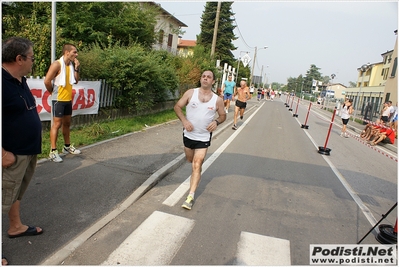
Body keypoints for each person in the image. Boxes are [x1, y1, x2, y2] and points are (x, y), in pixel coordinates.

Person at [2, 37, 44, 251]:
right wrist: (2, 154)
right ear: (19, 59)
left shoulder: (20, 80)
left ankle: (16, 226)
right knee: (2, 200)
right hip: (10, 155)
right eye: (31, 57)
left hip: (26, 151)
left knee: (16, 193)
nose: (33, 61)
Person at [174, 70, 226, 210]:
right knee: (190, 160)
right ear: (200, 79)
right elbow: (177, 107)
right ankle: (196, 170)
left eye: (209, 77)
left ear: (213, 81)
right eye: (203, 76)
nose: (205, 78)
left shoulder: (217, 100)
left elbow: (222, 115)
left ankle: (190, 196)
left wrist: (216, 122)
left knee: (197, 164)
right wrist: (184, 121)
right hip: (189, 135)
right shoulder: (191, 93)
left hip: (203, 137)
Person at [44, 43, 81, 162]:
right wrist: (52, 93)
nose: (76, 54)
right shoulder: (57, 64)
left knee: (67, 124)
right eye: (74, 52)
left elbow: (75, 81)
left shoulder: (70, 65)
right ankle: (53, 151)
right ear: (67, 52)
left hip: (67, 99)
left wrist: (76, 67)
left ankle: (66, 146)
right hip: (58, 99)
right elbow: (47, 81)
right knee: (57, 124)